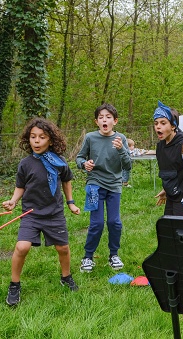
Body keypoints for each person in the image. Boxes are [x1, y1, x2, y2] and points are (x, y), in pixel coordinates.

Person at [2, 118, 81, 306]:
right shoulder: (25, 164)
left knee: (62, 248)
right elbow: (20, 186)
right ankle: (14, 285)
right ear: (28, 139)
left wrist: (71, 202)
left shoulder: (59, 162)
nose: (36, 141)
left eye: (42, 137)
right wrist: (13, 201)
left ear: (51, 140)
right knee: (22, 247)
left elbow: (66, 181)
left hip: (54, 213)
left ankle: (66, 277)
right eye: (33, 137)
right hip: (31, 214)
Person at [76, 103, 132, 273]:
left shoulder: (120, 139)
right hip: (94, 184)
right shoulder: (90, 138)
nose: (104, 120)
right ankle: (87, 257)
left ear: (115, 121)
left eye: (108, 117)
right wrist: (84, 164)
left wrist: (122, 150)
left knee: (114, 222)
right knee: (97, 223)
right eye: (101, 117)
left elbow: (128, 165)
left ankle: (113, 255)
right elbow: (79, 158)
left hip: (114, 185)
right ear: (96, 121)